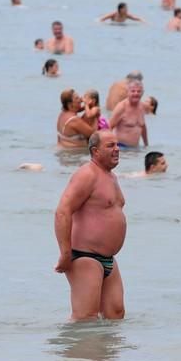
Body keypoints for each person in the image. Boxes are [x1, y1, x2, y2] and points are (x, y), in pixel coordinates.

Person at [54, 131, 127, 321]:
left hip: (108, 259)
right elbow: (63, 211)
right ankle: (72, 351)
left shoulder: (111, 177)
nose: (117, 149)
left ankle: (103, 352)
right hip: (84, 257)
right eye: (110, 146)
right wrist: (65, 253)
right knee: (85, 319)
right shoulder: (87, 175)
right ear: (95, 151)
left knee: (116, 315)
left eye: (117, 145)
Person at [109, 80, 148, 148]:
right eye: (133, 91)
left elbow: (143, 126)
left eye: (139, 91)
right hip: (121, 148)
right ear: (127, 92)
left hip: (135, 149)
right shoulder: (121, 107)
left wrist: (146, 144)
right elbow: (109, 127)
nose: (136, 93)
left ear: (142, 93)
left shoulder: (142, 106)